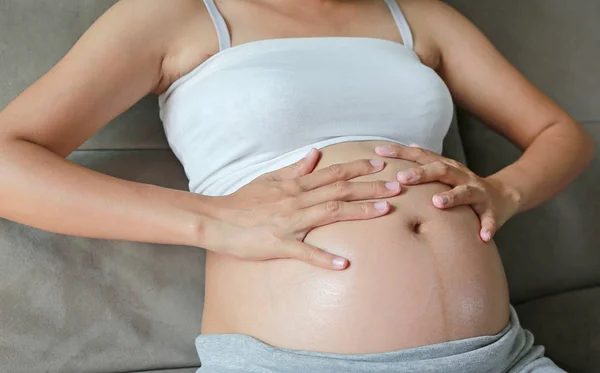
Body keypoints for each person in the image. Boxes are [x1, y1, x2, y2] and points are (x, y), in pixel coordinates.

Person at [0, 0, 594, 372]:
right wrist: (212, 220)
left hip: (501, 357)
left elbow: (557, 131)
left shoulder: (420, 15)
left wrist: (505, 192)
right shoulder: (173, 13)